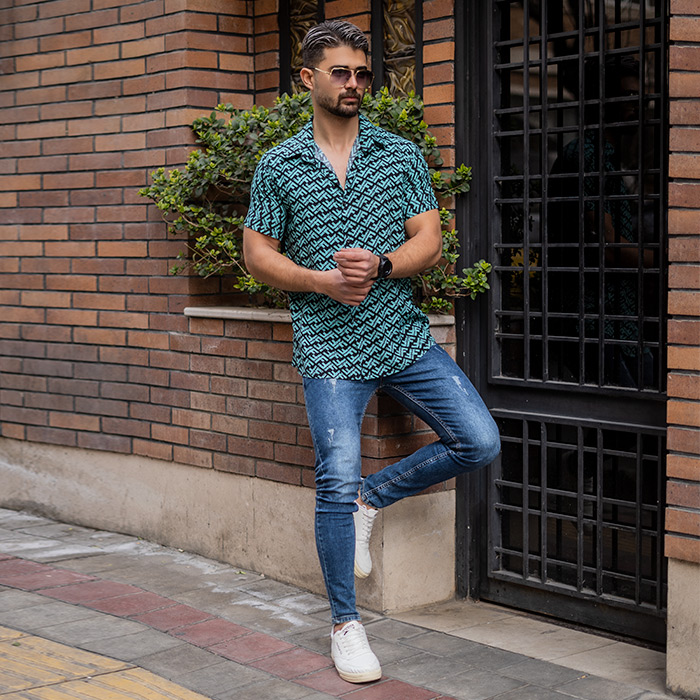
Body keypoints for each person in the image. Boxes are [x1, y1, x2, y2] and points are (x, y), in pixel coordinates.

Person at [243, 20, 500, 684]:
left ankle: (372, 498)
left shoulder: (398, 154)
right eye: (341, 72)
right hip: (328, 346)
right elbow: (257, 256)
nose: (354, 83)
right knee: (333, 475)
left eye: (362, 73)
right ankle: (345, 626)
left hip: (402, 338)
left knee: (479, 441)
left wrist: (383, 265)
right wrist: (319, 281)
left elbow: (429, 242)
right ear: (308, 78)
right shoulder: (279, 165)